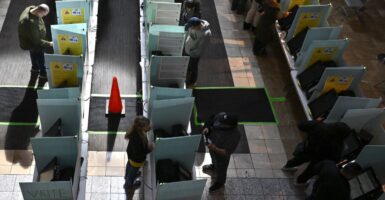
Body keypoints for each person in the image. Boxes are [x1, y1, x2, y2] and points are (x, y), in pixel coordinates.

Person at [281, 120, 352, 184]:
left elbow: (301, 125)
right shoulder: (337, 146)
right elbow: (335, 160)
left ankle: (288, 166)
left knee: (299, 159)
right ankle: (300, 182)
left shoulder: (319, 125)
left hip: (309, 148)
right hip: (319, 158)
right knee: (310, 171)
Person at [201, 112, 241, 192]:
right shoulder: (221, 116)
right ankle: (214, 166)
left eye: (223, 123)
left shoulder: (235, 135)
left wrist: (214, 148)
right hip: (212, 147)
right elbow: (211, 118)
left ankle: (220, 183)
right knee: (213, 159)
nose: (220, 124)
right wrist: (207, 127)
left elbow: (226, 152)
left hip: (221, 157)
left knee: (221, 169)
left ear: (230, 125)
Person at [18, 4, 53, 79]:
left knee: (33, 54)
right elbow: (36, 41)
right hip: (33, 43)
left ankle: (35, 68)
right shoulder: (30, 23)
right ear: (39, 11)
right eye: (43, 15)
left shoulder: (30, 8)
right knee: (40, 57)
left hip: (29, 41)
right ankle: (43, 74)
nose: (43, 17)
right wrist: (49, 43)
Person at [124, 116, 155, 189]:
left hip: (131, 156)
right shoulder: (138, 139)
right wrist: (150, 148)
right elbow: (140, 153)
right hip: (136, 160)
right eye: (148, 126)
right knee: (133, 173)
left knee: (129, 166)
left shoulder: (135, 132)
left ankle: (127, 175)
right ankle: (128, 185)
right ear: (142, 128)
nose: (149, 127)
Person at [184, 17, 212, 87]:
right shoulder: (193, 27)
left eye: (192, 27)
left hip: (194, 55)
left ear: (197, 25)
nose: (191, 28)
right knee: (187, 65)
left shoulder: (206, 34)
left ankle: (192, 82)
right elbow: (188, 33)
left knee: (193, 67)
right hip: (187, 50)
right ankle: (186, 76)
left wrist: (191, 52)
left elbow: (201, 48)